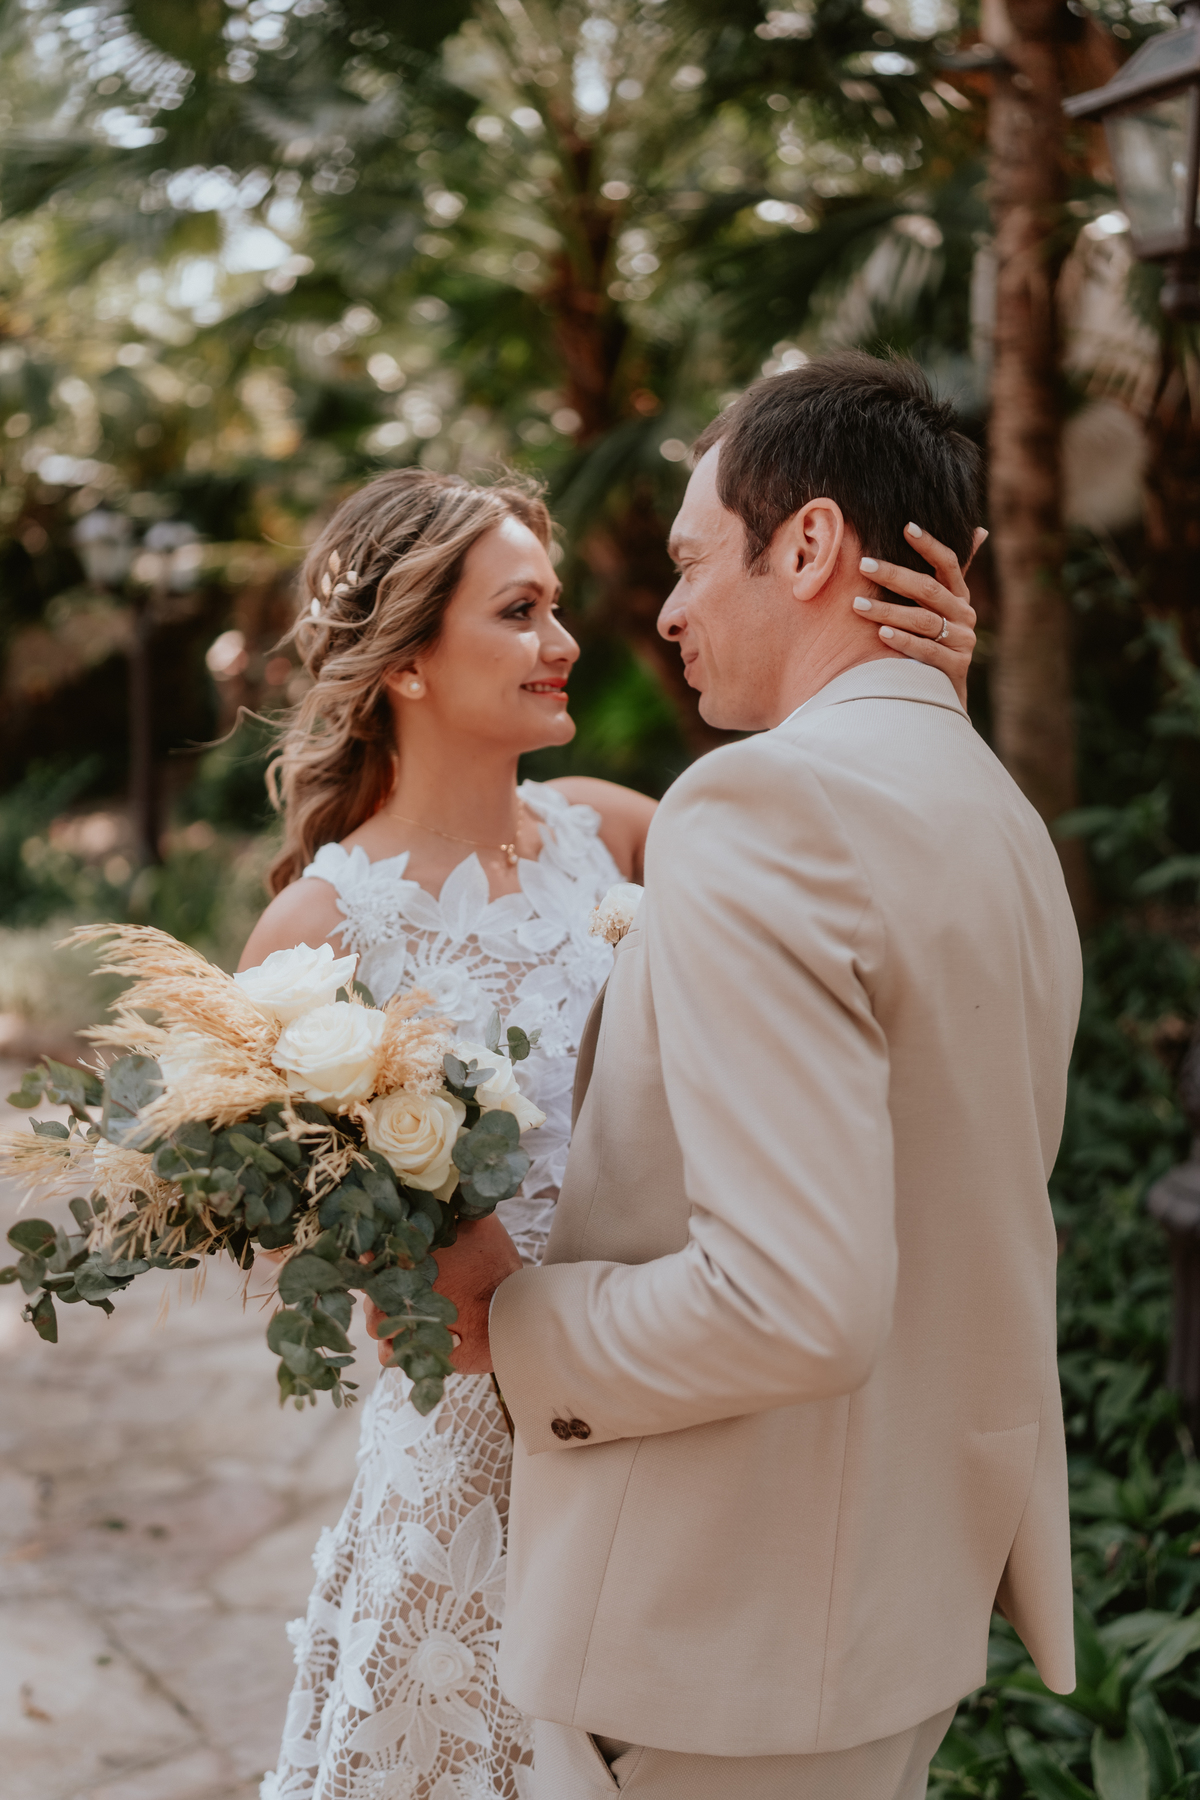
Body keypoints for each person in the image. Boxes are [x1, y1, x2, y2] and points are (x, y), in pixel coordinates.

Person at [252, 461, 977, 1800]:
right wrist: (404, 1255)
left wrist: (926, 697)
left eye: (555, 604)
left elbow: (861, 883)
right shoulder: (319, 935)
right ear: (405, 662)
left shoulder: (621, 834)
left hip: (666, 1415)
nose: (568, 640)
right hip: (468, 1471)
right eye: (520, 611)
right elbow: (316, 1246)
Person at [421, 353, 1082, 1800]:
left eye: (691, 558)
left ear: (809, 545)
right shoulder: (995, 807)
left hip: (718, 1637)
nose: (665, 613)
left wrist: (512, 1325)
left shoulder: (763, 802)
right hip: (896, 1601)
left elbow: (791, 1302)